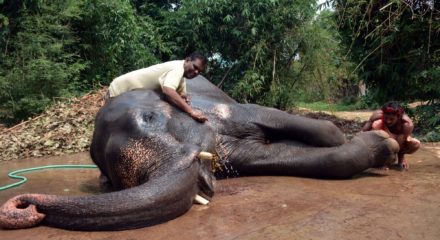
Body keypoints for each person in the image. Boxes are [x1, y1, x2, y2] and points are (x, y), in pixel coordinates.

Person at [107, 52, 208, 122]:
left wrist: (185, 99)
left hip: (131, 96)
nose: (196, 72)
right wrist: (191, 111)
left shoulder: (182, 76)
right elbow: (168, 90)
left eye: (199, 71)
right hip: (119, 90)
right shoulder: (177, 69)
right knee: (109, 121)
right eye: (195, 67)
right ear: (187, 60)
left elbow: (182, 94)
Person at [362, 101, 420, 170]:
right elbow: (364, 132)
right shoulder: (377, 115)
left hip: (396, 140)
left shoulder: (407, 124)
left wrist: (400, 161)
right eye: (386, 118)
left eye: (391, 119)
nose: (388, 121)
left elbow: (399, 143)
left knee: (415, 144)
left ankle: (387, 161)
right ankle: (378, 159)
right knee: (377, 124)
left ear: (398, 116)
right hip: (380, 136)